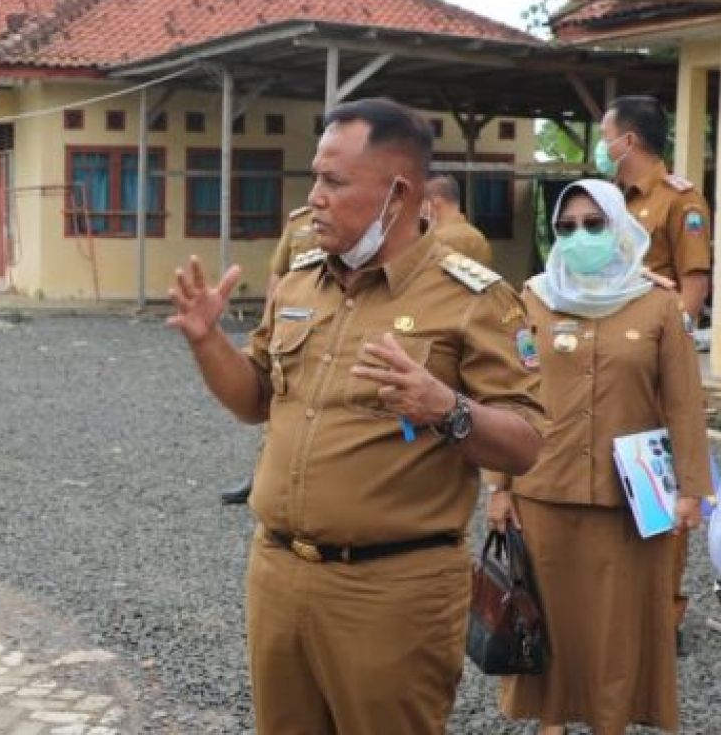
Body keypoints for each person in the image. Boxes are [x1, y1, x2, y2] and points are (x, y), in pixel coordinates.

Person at [168, 97, 544, 734]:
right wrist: (208, 342)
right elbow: (253, 400)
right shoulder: (299, 282)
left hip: (392, 592)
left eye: (333, 181)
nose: (314, 196)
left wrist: (447, 408)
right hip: (280, 574)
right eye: (315, 176)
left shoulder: (471, 299)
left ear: (397, 194)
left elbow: (527, 443)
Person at [487, 179, 708, 734]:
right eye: (566, 228)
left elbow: (684, 402)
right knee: (552, 621)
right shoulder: (531, 298)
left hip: (632, 500)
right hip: (543, 490)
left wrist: (691, 491)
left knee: (617, 626)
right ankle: (552, 722)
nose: (580, 236)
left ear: (618, 226)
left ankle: (610, 723)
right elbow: (507, 395)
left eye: (593, 223)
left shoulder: (657, 304)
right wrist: (499, 487)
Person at [598, 94, 712, 652]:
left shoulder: (679, 201)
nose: (603, 146)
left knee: (655, 482)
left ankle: (662, 613)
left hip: (654, 361)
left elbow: (694, 283)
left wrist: (666, 344)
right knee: (606, 476)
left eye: (606, 135)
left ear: (630, 141)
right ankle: (616, 601)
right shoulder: (608, 201)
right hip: (607, 362)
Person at [220, 206, 317, 505]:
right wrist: (270, 319)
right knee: (279, 394)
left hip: (337, 323)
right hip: (296, 324)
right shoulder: (300, 221)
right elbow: (279, 272)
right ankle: (264, 472)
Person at [423, 173, 493, 265]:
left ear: (436, 201)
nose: (421, 208)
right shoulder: (479, 238)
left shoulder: (436, 240)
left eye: (422, 201)